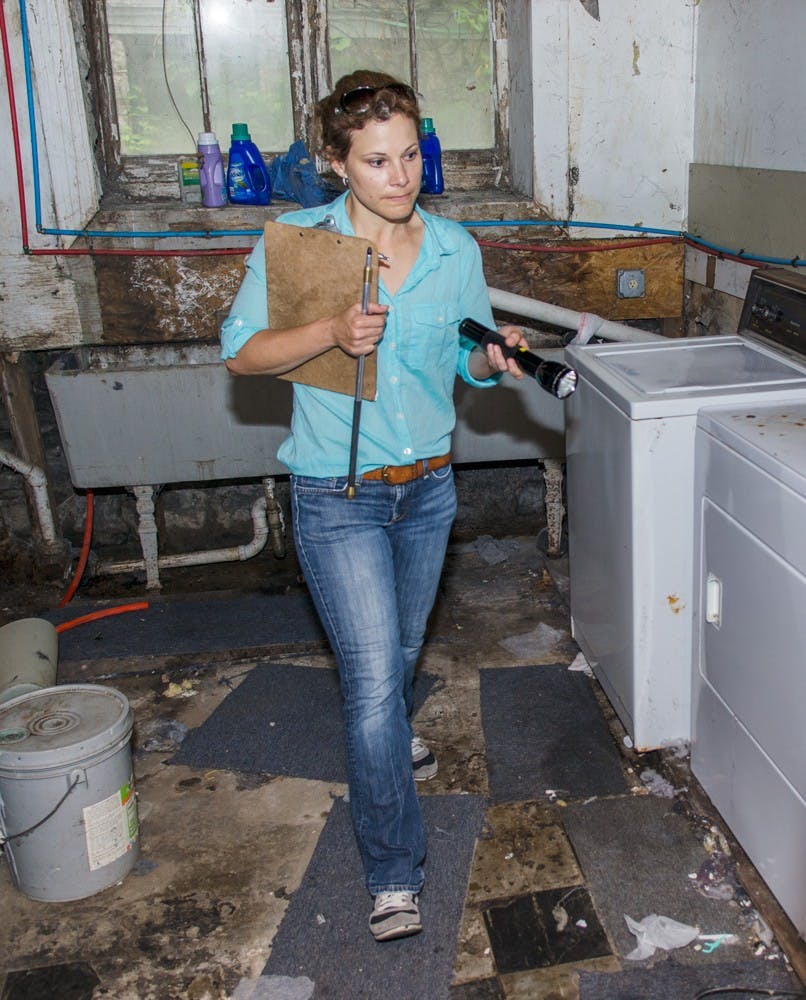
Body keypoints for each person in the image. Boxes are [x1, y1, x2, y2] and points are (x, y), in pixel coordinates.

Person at [220, 69, 527, 942]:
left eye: (411, 157)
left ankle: (394, 738)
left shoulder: (453, 250)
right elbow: (241, 355)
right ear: (337, 164)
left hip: (429, 489)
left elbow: (462, 359)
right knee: (368, 689)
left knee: (393, 657)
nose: (401, 177)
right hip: (337, 495)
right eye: (378, 161)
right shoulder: (298, 246)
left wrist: (493, 358)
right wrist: (327, 332)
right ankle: (396, 876)